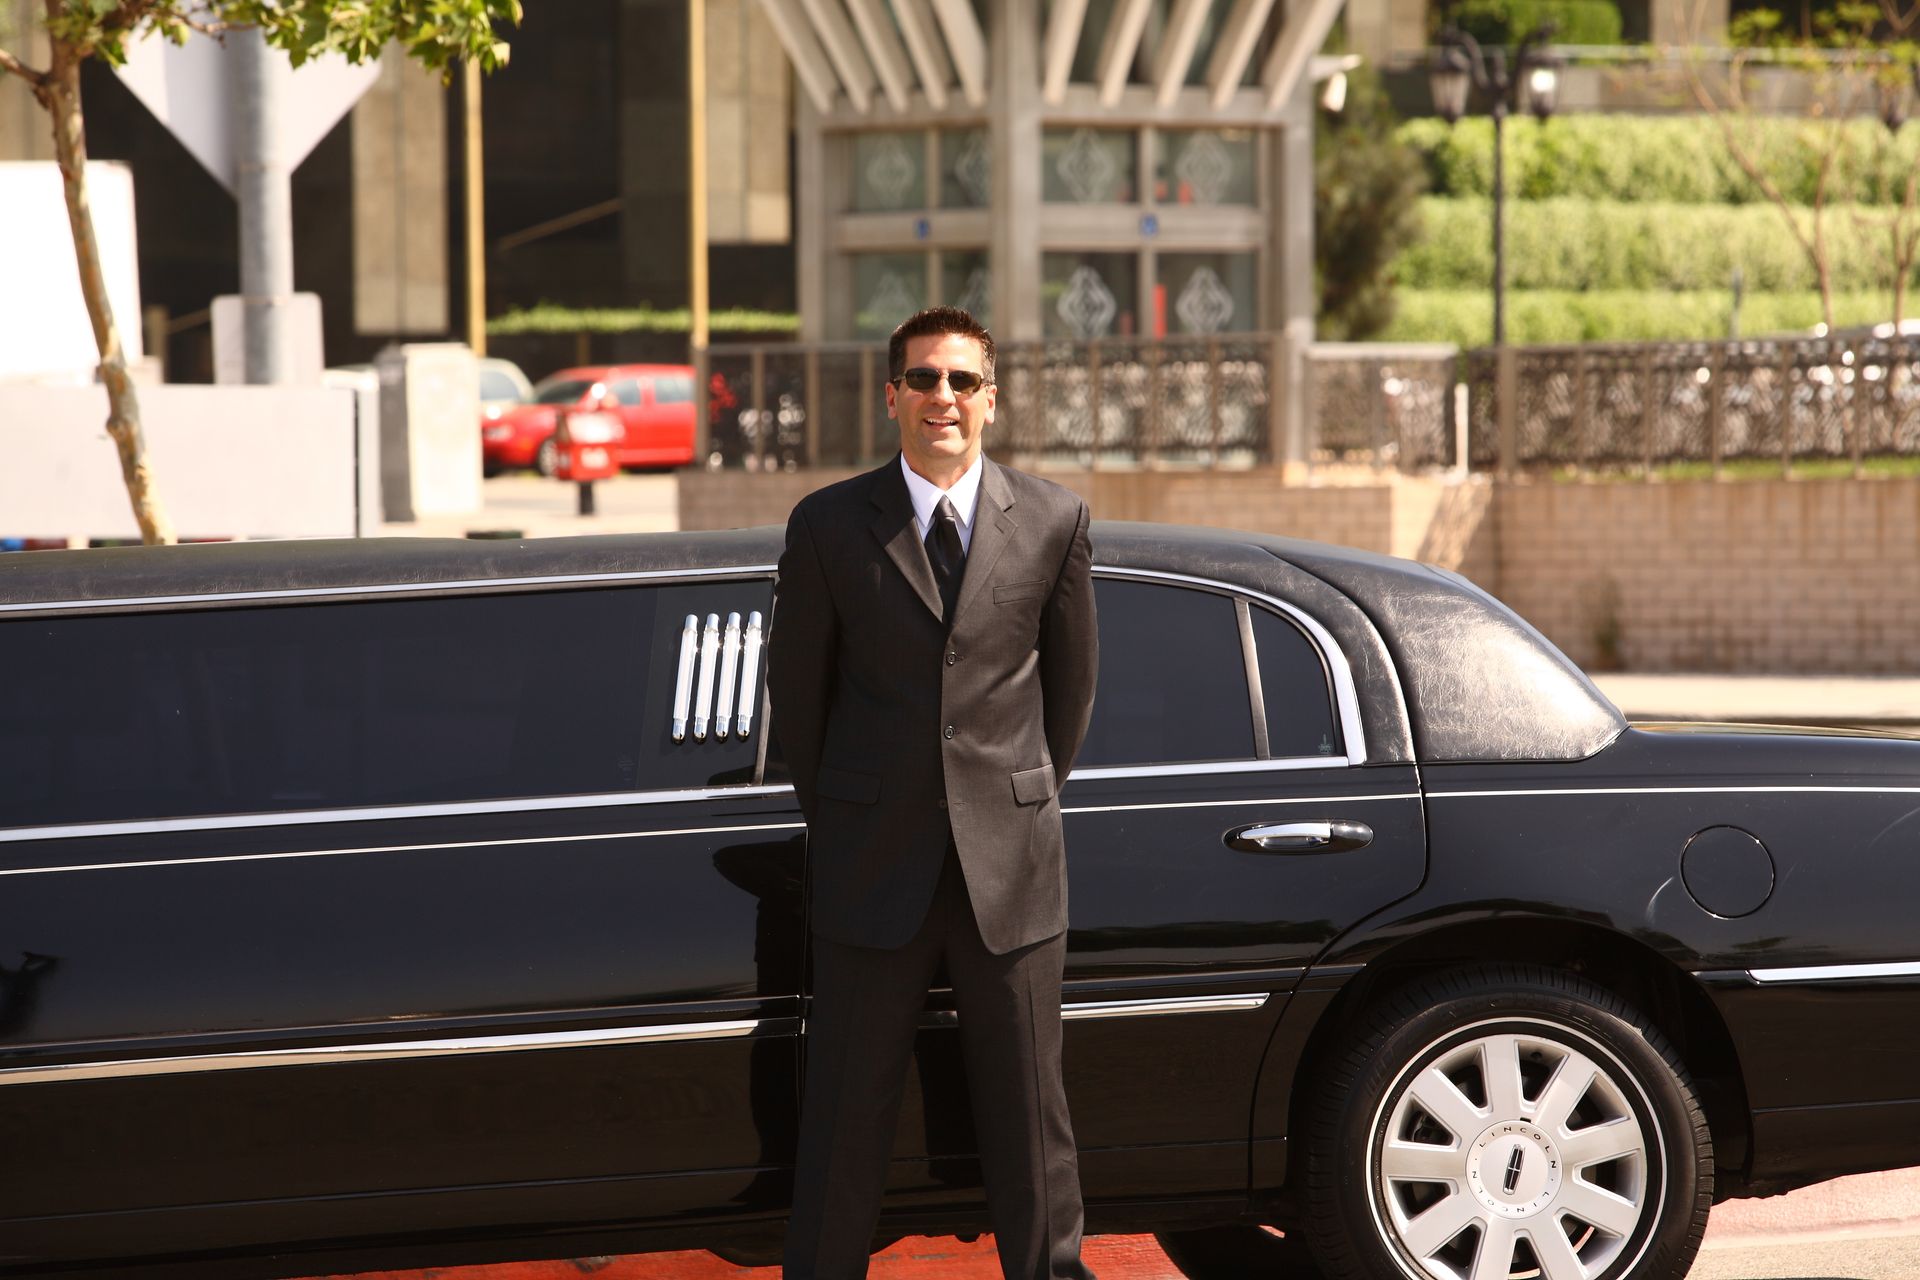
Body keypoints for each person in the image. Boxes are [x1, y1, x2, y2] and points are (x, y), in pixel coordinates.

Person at [769, 305, 1100, 1280]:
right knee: (843, 1114)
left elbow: (1069, 698)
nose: (941, 397)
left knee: (1031, 1118)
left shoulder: (1054, 519)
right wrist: (849, 821)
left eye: (961, 380)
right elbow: (800, 705)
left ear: (990, 399)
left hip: (1014, 871)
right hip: (873, 868)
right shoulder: (828, 525)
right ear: (891, 396)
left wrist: (1013, 802)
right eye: (923, 379)